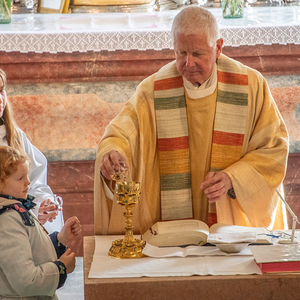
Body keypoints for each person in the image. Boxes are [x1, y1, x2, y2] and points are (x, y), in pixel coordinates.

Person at [94, 6, 289, 235]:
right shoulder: (153, 90)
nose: (188, 63)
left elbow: (274, 149)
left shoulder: (251, 86)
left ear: (217, 48)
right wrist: (113, 152)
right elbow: (122, 132)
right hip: (170, 232)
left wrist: (232, 178)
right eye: (181, 53)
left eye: (197, 54)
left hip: (232, 228)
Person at [0, 146, 82, 299]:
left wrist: (61, 239)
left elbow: (33, 249)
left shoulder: (15, 208)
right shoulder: (5, 220)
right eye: (20, 178)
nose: (28, 182)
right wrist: (61, 268)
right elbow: (26, 281)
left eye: (27, 176)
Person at [0, 68, 64, 233]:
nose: (0, 99)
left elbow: (34, 182)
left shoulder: (14, 135)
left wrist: (42, 206)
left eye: (1, 91)